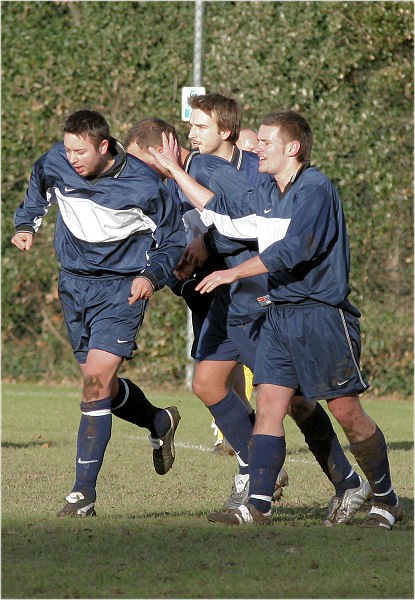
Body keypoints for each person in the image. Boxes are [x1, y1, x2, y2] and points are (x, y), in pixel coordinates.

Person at [152, 110, 402, 530]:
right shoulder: (267, 189)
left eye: (266, 142)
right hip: (278, 314)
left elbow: (292, 251)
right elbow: (221, 208)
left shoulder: (316, 190)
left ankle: (386, 499)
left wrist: (232, 271)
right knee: (269, 405)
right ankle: (258, 505)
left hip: (321, 316)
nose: (256, 146)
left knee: (346, 412)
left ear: (293, 148)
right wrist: (176, 170)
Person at [12, 109, 186, 518]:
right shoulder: (56, 161)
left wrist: (152, 276)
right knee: (100, 388)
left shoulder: (145, 184)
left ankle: (82, 495)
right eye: (68, 148)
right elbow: (38, 186)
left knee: (95, 382)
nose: (71, 157)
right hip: (73, 285)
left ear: (104, 146)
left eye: (80, 151)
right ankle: (158, 420)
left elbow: (173, 239)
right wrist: (26, 225)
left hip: (121, 290)